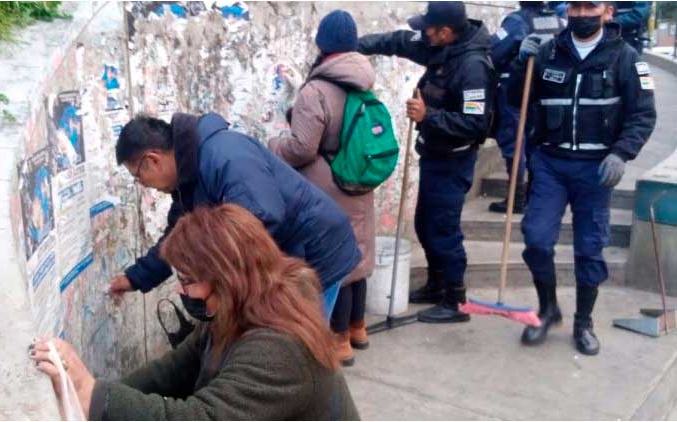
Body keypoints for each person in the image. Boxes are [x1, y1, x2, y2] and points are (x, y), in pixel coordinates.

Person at [31, 204, 361, 420]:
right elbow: (170, 372)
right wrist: (92, 392)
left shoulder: (278, 348)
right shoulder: (239, 308)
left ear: (225, 278)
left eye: (188, 281)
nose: (180, 290)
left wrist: (96, 397)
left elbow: (203, 418)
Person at [108, 112, 361, 319]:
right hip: (290, 253)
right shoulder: (189, 179)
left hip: (316, 249)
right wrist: (134, 278)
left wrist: (212, 274)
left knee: (302, 347)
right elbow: (176, 240)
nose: (142, 184)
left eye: (138, 176)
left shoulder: (224, 155)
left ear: (153, 160)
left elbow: (261, 216)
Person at [511, 1, 656, 355]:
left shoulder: (628, 58)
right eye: (574, 7)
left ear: (607, 12)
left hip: (596, 169)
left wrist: (621, 153)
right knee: (536, 239)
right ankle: (548, 310)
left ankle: (583, 322)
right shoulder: (548, 52)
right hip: (551, 163)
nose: (580, 14)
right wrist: (520, 63)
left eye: (589, 6)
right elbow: (518, 98)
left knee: (590, 249)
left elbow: (643, 115)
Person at [358, 2, 495, 323]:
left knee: (442, 230)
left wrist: (427, 116)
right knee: (424, 224)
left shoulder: (473, 67)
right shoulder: (441, 47)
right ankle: (436, 285)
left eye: (428, 29)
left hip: (454, 160)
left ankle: (455, 300)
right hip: (434, 155)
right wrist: (355, 46)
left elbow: (476, 124)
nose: (423, 33)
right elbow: (398, 42)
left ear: (445, 32)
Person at [269, 10, 376, 366]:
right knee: (358, 253)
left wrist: (274, 146)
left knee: (336, 261)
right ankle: (359, 328)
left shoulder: (317, 89)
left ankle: (339, 341)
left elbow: (302, 148)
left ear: (322, 44)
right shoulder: (364, 82)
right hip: (359, 177)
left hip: (327, 185)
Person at [488, 1, 565, 214]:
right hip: (544, 93)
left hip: (516, 90)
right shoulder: (559, 21)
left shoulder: (517, 21)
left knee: (514, 144)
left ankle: (516, 198)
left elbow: (493, 51)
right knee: (534, 144)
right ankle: (531, 195)